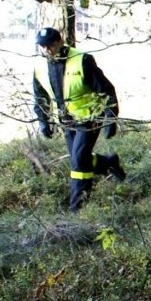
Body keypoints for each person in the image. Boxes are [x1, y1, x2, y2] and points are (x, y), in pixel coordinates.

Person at [33, 27, 125, 212]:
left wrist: (110, 117)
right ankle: (109, 163)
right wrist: (43, 121)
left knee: (78, 162)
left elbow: (106, 89)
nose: (47, 50)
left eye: (50, 45)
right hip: (67, 121)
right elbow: (40, 97)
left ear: (59, 42)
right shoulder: (40, 66)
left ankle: (77, 207)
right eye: (43, 46)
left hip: (89, 117)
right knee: (80, 158)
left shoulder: (82, 59)